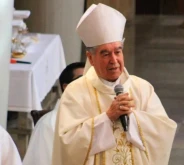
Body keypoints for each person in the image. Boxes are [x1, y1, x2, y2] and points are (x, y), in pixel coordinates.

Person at [52, 3, 177, 165]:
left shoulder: (142, 88)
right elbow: (68, 143)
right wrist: (108, 117)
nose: (114, 60)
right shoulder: (75, 92)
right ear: (91, 58)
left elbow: (164, 132)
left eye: (117, 51)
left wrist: (133, 117)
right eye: (105, 53)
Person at [23, 62, 85, 165]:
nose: (89, 85)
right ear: (66, 87)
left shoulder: (102, 116)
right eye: (82, 79)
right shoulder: (49, 124)